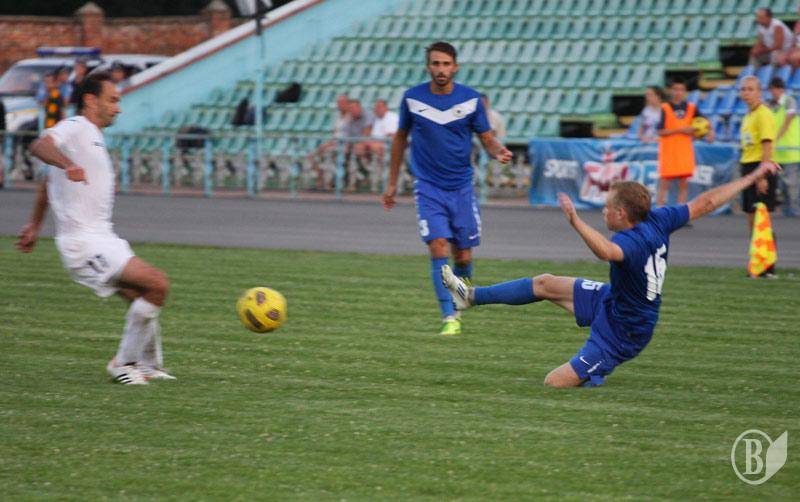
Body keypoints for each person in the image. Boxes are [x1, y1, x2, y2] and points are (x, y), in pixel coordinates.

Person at [441, 163, 781, 388]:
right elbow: (706, 202)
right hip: (612, 300)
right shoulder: (659, 219)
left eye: (606, 207)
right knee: (544, 283)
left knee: (553, 383)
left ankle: (594, 372)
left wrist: (575, 221)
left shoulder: (633, 242)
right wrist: (752, 177)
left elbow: (606, 251)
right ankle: (469, 296)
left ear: (621, 213)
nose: (602, 212)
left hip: (625, 331)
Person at [16, 71, 173, 385]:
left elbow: (47, 184)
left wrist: (34, 225)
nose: (118, 108)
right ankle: (122, 364)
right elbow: (39, 145)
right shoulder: (75, 126)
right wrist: (68, 165)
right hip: (83, 243)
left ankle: (148, 365)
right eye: (112, 100)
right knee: (157, 284)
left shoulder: (91, 137)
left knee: (141, 295)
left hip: (103, 238)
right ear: (90, 100)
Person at [381, 41, 513, 336]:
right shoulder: (412, 99)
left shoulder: (471, 100)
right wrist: (391, 183)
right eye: (435, 63)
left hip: (462, 187)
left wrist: (498, 151)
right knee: (438, 245)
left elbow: (487, 139)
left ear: (455, 67)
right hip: (428, 186)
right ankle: (449, 317)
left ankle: (460, 300)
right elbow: (400, 138)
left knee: (463, 255)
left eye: (445, 64)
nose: (440, 69)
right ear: (428, 66)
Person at [739, 75, 780, 277]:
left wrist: (762, 175)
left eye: (750, 89)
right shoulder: (748, 115)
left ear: (759, 92)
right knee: (751, 218)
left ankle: (767, 267)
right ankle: (758, 261)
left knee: (762, 218)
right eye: (743, 89)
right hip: (748, 167)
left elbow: (767, 145)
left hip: (759, 167)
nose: (746, 93)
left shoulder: (763, 114)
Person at [656, 80, 714, 207]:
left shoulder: (691, 107)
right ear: (671, 91)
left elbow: (706, 123)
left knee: (684, 183)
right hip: (669, 150)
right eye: (676, 89)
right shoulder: (665, 107)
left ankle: (681, 210)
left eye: (681, 89)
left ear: (685, 92)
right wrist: (682, 130)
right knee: (665, 182)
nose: (678, 92)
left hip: (684, 150)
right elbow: (660, 131)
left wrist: (710, 132)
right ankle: (659, 210)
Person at [767, 76, 800, 216]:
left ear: (780, 89)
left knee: (792, 185)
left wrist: (775, 139)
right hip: (777, 153)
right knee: (781, 187)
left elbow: (787, 122)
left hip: (790, 151)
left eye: (774, 89)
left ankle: (796, 213)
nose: (772, 92)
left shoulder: (789, 101)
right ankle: (786, 215)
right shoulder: (771, 105)